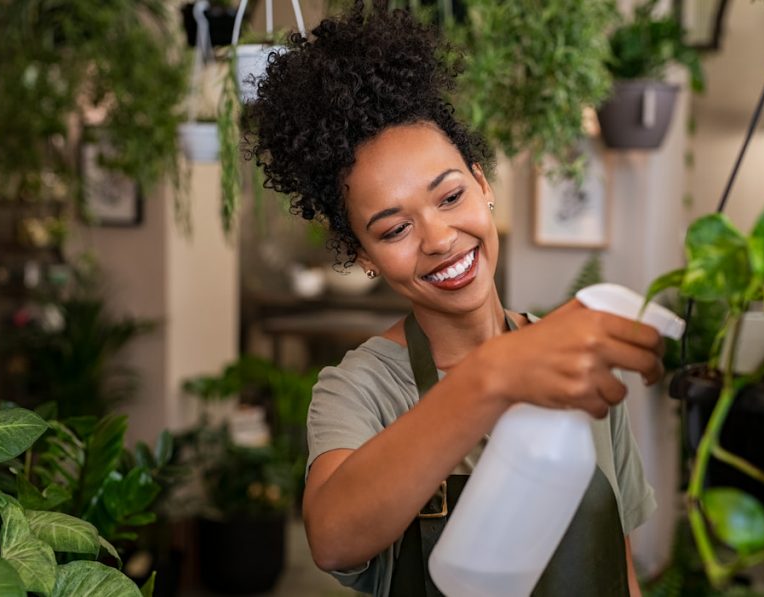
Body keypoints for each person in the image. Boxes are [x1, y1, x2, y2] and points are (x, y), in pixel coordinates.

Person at [247, 4, 665, 596]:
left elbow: (618, 568)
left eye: (449, 196)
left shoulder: (574, 363)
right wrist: (489, 377)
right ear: (364, 255)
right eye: (394, 230)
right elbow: (333, 537)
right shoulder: (363, 389)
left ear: (483, 184)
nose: (440, 239)